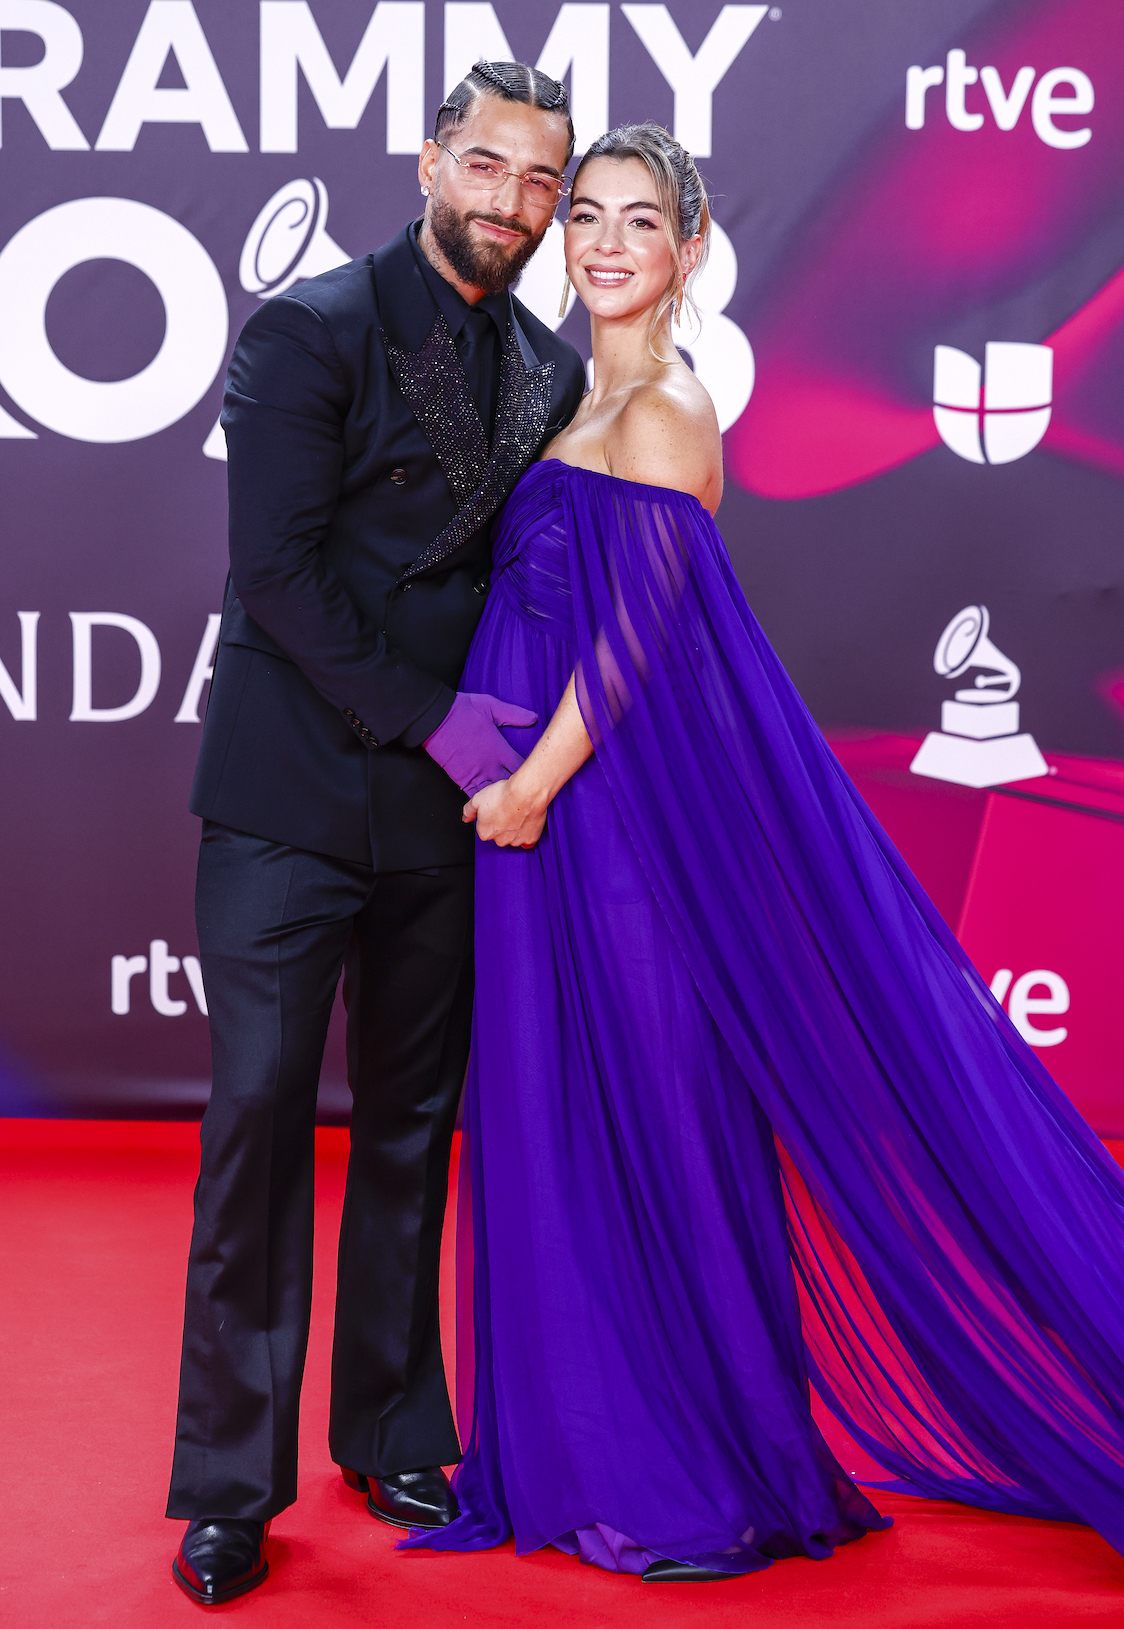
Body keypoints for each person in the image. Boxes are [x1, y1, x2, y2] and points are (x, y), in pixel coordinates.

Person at [409, 123, 1124, 1582]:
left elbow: (635, 640)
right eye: (586, 215)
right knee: (564, 1124)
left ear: (690, 249)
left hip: (615, 827)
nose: (604, 242)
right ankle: (589, 1444)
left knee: (656, 1118)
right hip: (537, 820)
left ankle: (693, 1471)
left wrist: (531, 785)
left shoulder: (666, 407)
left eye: (640, 222)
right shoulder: (564, 392)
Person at [167, 62, 587, 1606]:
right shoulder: (311, 328)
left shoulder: (549, 368)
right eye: (490, 167)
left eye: (541, 182)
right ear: (430, 162)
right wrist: (439, 717)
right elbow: (274, 572)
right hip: (286, 801)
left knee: (413, 1126)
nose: (514, 204)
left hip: (443, 816)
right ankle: (228, 1485)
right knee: (258, 1131)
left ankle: (395, 1425)